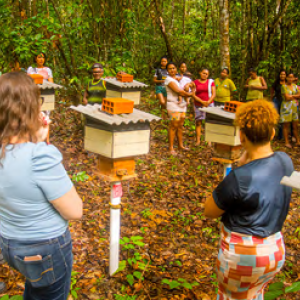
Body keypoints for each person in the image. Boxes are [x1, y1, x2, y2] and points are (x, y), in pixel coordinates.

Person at [0, 72, 83, 300]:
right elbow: (75, 211)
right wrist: (41, 146)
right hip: (45, 248)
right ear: (30, 108)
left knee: (36, 289)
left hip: (9, 243)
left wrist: (35, 140)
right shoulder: (40, 157)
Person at [204, 100, 294, 300]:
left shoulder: (239, 177)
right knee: (256, 295)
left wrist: (241, 166)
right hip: (274, 251)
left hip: (243, 256)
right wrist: (247, 160)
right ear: (272, 134)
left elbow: (209, 210)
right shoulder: (285, 161)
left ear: (242, 136)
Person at [164, 62, 195, 155]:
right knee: (173, 126)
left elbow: (187, 85)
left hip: (182, 105)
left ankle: (180, 145)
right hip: (173, 105)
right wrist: (191, 94)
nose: (172, 70)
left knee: (180, 125)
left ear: (176, 69)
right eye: (170, 69)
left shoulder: (178, 79)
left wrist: (191, 88)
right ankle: (171, 148)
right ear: (167, 71)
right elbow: (179, 91)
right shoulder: (168, 80)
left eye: (173, 68)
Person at [190, 67, 216, 146]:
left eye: (206, 74)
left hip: (209, 104)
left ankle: (209, 141)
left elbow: (214, 93)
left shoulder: (211, 82)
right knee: (198, 122)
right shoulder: (195, 82)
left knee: (209, 122)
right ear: (200, 73)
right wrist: (202, 102)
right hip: (198, 105)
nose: (205, 75)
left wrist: (208, 102)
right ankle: (198, 140)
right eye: (203, 73)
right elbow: (193, 94)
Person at [280, 72, 300, 148]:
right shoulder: (283, 87)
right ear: (286, 78)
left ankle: (298, 141)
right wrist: (295, 96)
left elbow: (299, 96)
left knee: (295, 125)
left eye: (292, 77)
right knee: (286, 125)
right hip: (286, 108)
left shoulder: (295, 86)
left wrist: (291, 96)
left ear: (294, 78)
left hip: (294, 107)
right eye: (289, 77)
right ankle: (287, 142)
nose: (290, 79)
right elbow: (287, 98)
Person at [270, 69, 287, 140]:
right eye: (281, 74)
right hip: (276, 100)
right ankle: (273, 135)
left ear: (286, 76)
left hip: (284, 102)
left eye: (284, 74)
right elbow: (272, 90)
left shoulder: (287, 83)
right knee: (275, 117)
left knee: (283, 118)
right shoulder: (276, 82)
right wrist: (271, 99)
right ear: (279, 75)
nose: (282, 76)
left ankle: (281, 136)